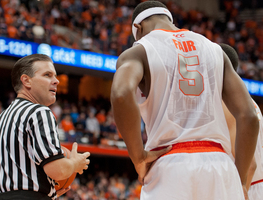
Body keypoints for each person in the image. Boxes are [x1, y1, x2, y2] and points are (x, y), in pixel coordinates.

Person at [110, 1, 259, 200]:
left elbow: (120, 94)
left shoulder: (139, 51)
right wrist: (238, 181)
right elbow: (249, 116)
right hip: (220, 165)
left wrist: (138, 157)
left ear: (138, 28)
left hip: (170, 165)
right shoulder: (215, 49)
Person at [0, 54, 90, 200]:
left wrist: (43, 189)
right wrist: (75, 163)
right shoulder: (39, 112)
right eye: (47, 75)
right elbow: (57, 170)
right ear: (26, 80)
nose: (56, 81)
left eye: (55, 76)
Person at [220, 43, 263, 200]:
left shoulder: (229, 103)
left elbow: (250, 165)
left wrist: (239, 190)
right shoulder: (249, 101)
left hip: (248, 186)